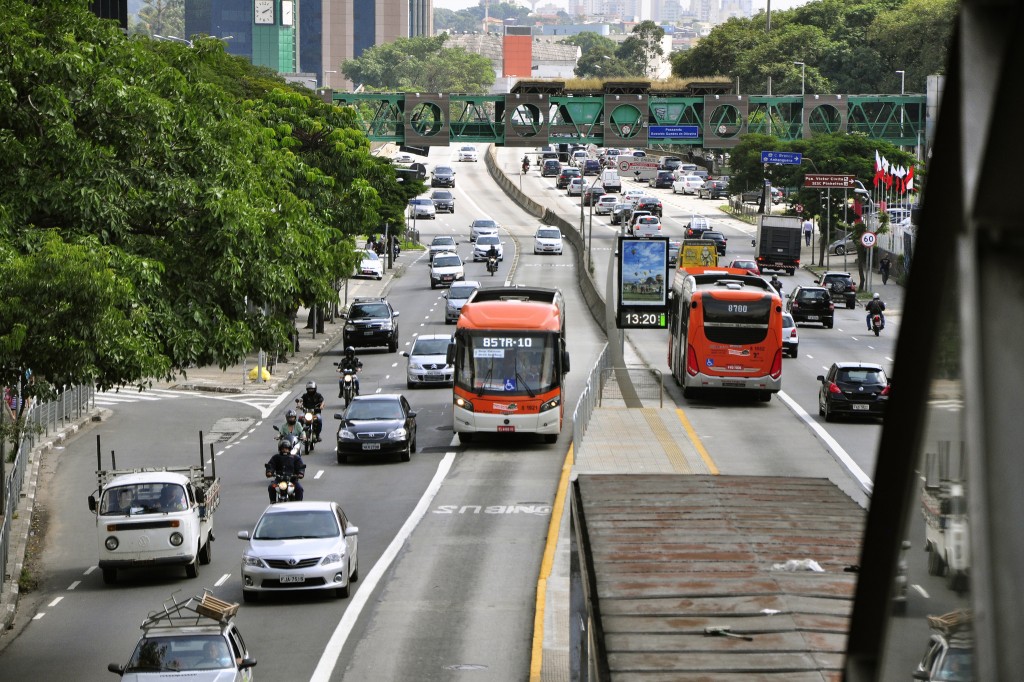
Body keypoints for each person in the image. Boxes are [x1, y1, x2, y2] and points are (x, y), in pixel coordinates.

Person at [265, 438, 305, 503]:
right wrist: (269, 472)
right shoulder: (276, 457)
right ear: (280, 449)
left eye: (286, 448)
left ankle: (298, 505)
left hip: (292, 480)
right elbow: (271, 465)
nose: (285, 450)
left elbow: (300, 466)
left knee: (299, 489)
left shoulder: (295, 458)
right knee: (271, 487)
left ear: (289, 449)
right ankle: (272, 502)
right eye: (283, 448)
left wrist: (300, 473)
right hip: (279, 480)